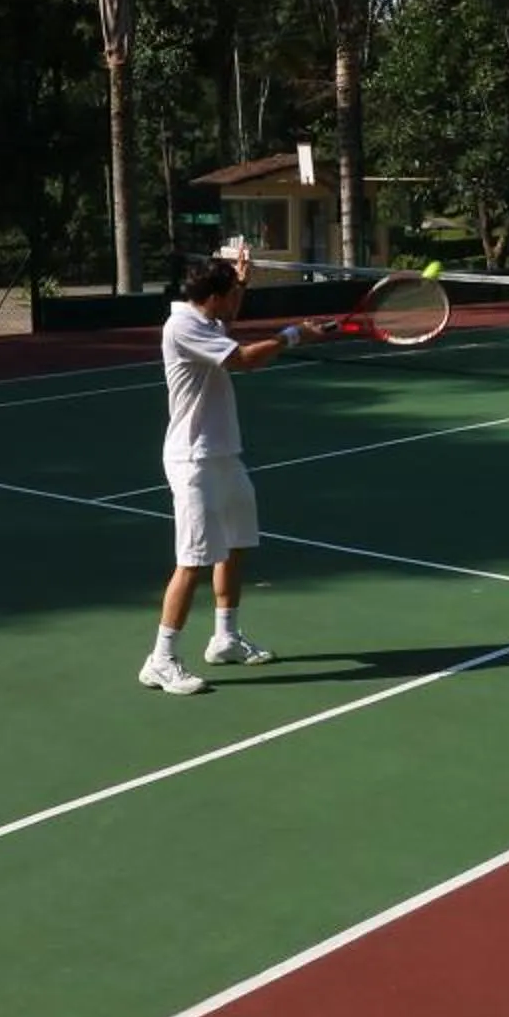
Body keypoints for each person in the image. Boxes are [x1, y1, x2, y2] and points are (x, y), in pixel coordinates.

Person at [140, 248, 307, 695]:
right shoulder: (182, 325)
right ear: (213, 298)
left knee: (235, 545)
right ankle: (161, 659)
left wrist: (242, 281)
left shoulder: (205, 319)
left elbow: (226, 329)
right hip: (192, 461)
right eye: (232, 295)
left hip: (223, 455)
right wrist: (292, 335)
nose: (237, 302)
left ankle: (225, 637)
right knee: (192, 560)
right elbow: (245, 360)